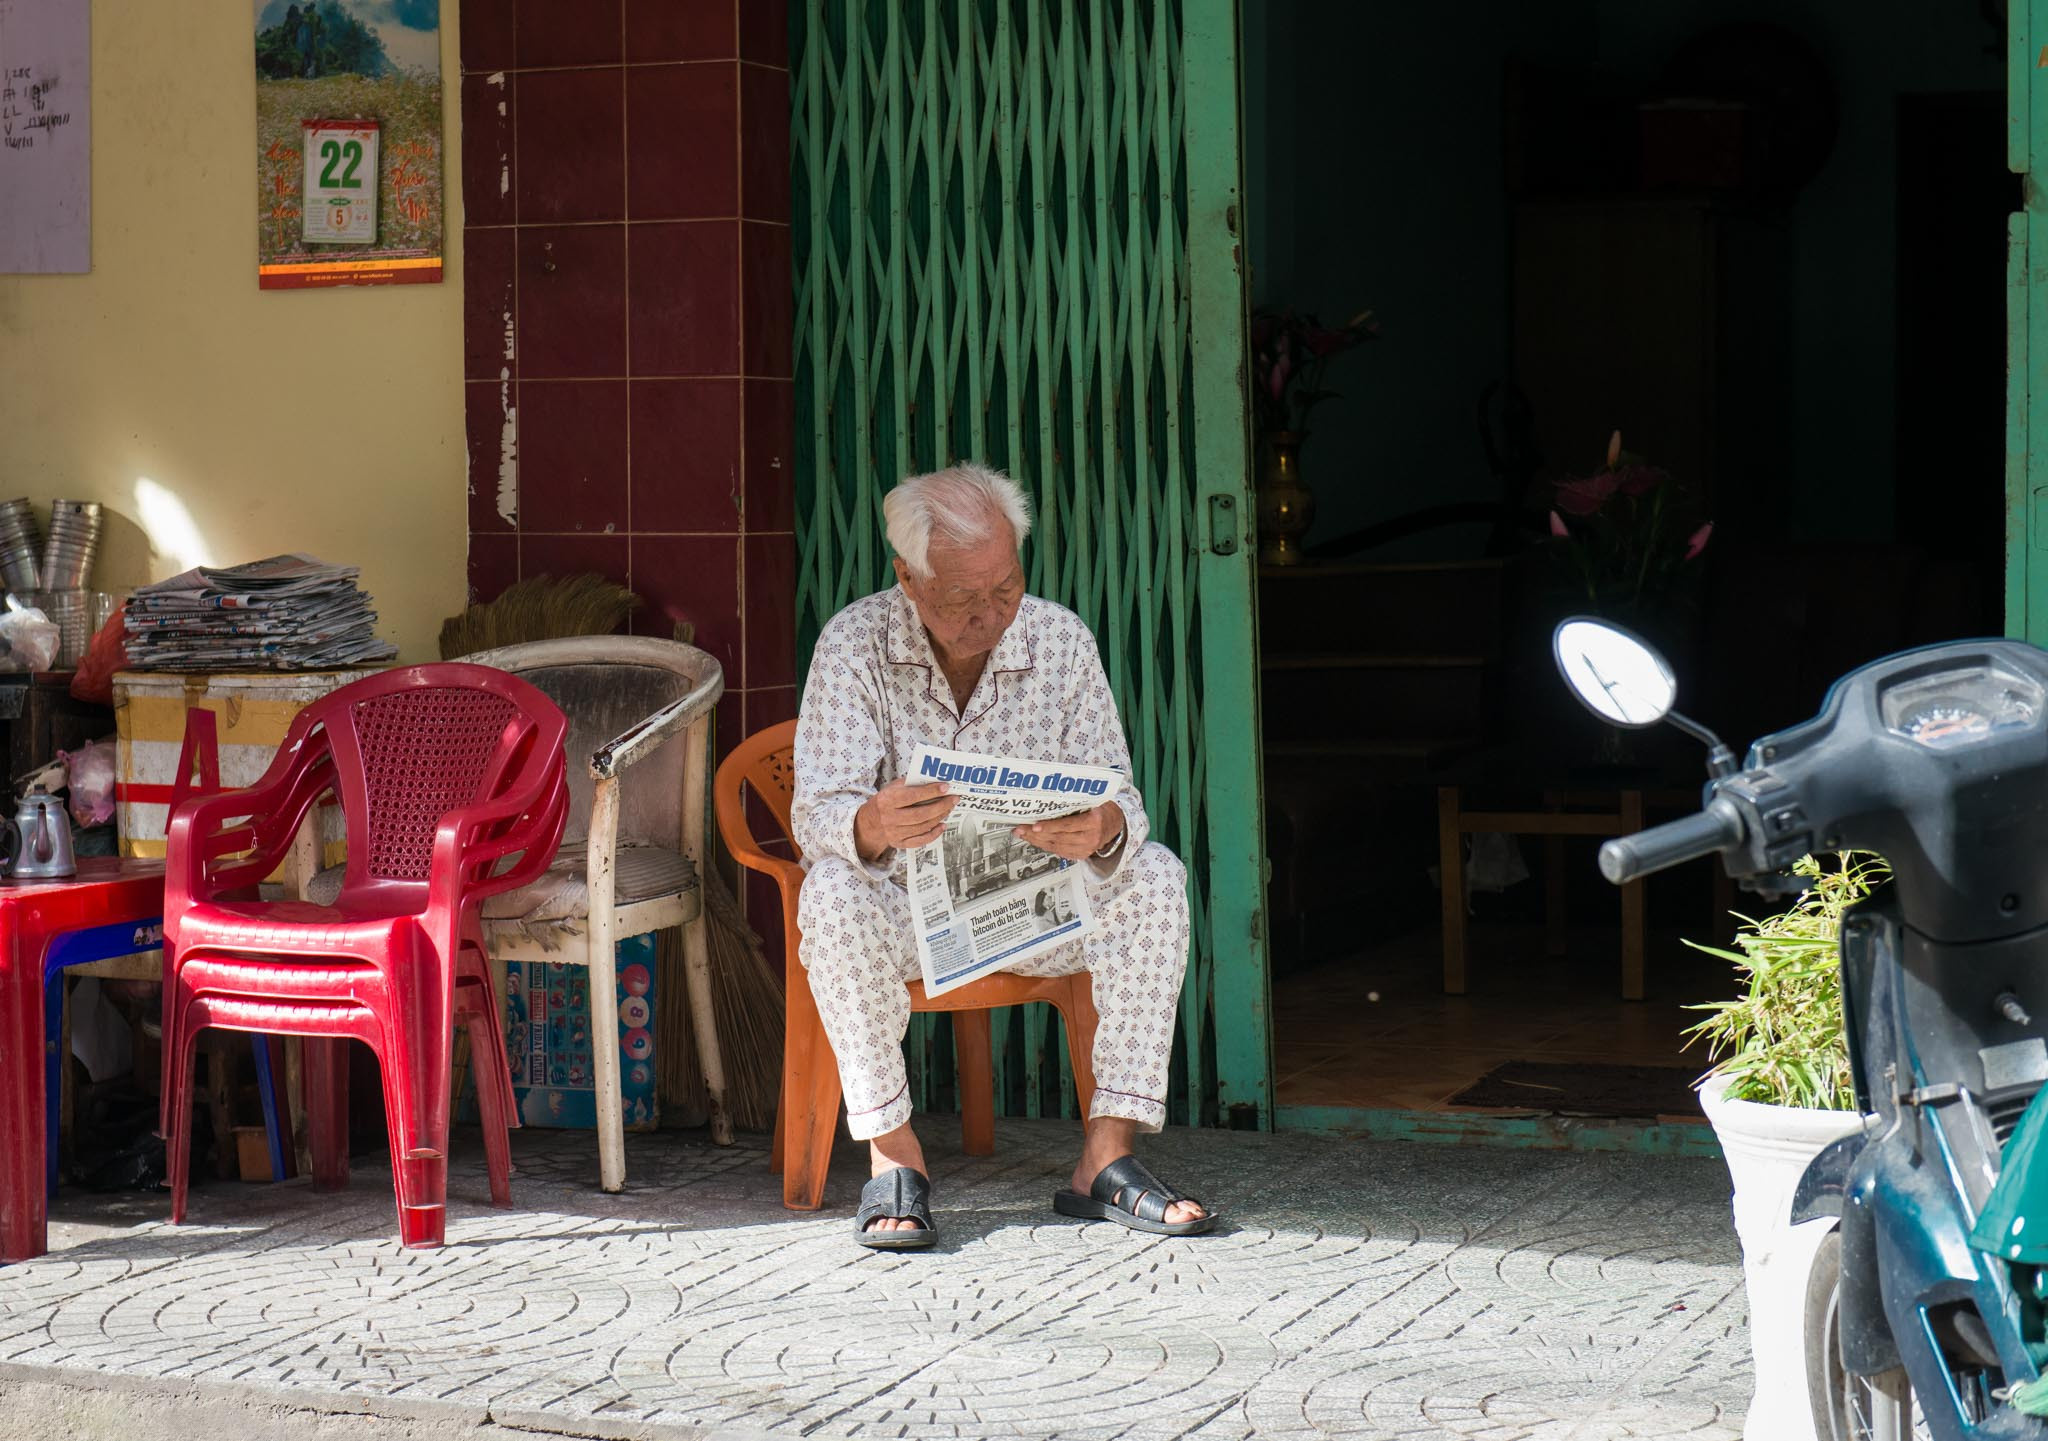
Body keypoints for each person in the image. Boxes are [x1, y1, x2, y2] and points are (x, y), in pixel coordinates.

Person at [792, 462, 1216, 1250]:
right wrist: (873, 820)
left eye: (1006, 588)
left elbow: (1122, 795)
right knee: (829, 893)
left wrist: (1102, 828)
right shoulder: (853, 645)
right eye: (963, 599)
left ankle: (1107, 1157)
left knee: (1155, 871)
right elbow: (815, 815)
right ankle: (893, 1153)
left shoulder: (1059, 639)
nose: (991, 615)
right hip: (908, 920)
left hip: (1033, 910)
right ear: (907, 579)